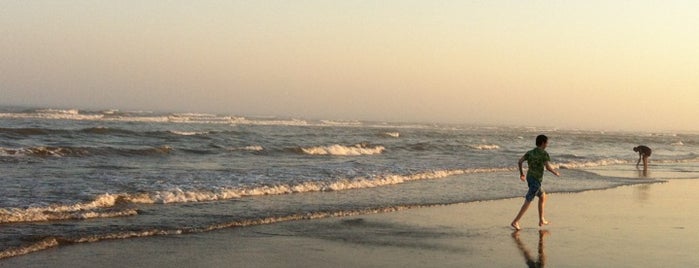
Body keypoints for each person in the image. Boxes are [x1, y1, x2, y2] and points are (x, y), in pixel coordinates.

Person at [511, 134, 560, 230]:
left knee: (543, 196)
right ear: (543, 143)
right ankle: (515, 221)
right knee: (528, 201)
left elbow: (520, 161)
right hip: (536, 180)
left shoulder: (530, 152)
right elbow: (547, 167)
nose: (547, 144)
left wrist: (521, 174)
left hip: (530, 178)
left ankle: (541, 219)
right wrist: (555, 172)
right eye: (547, 143)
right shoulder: (543, 153)